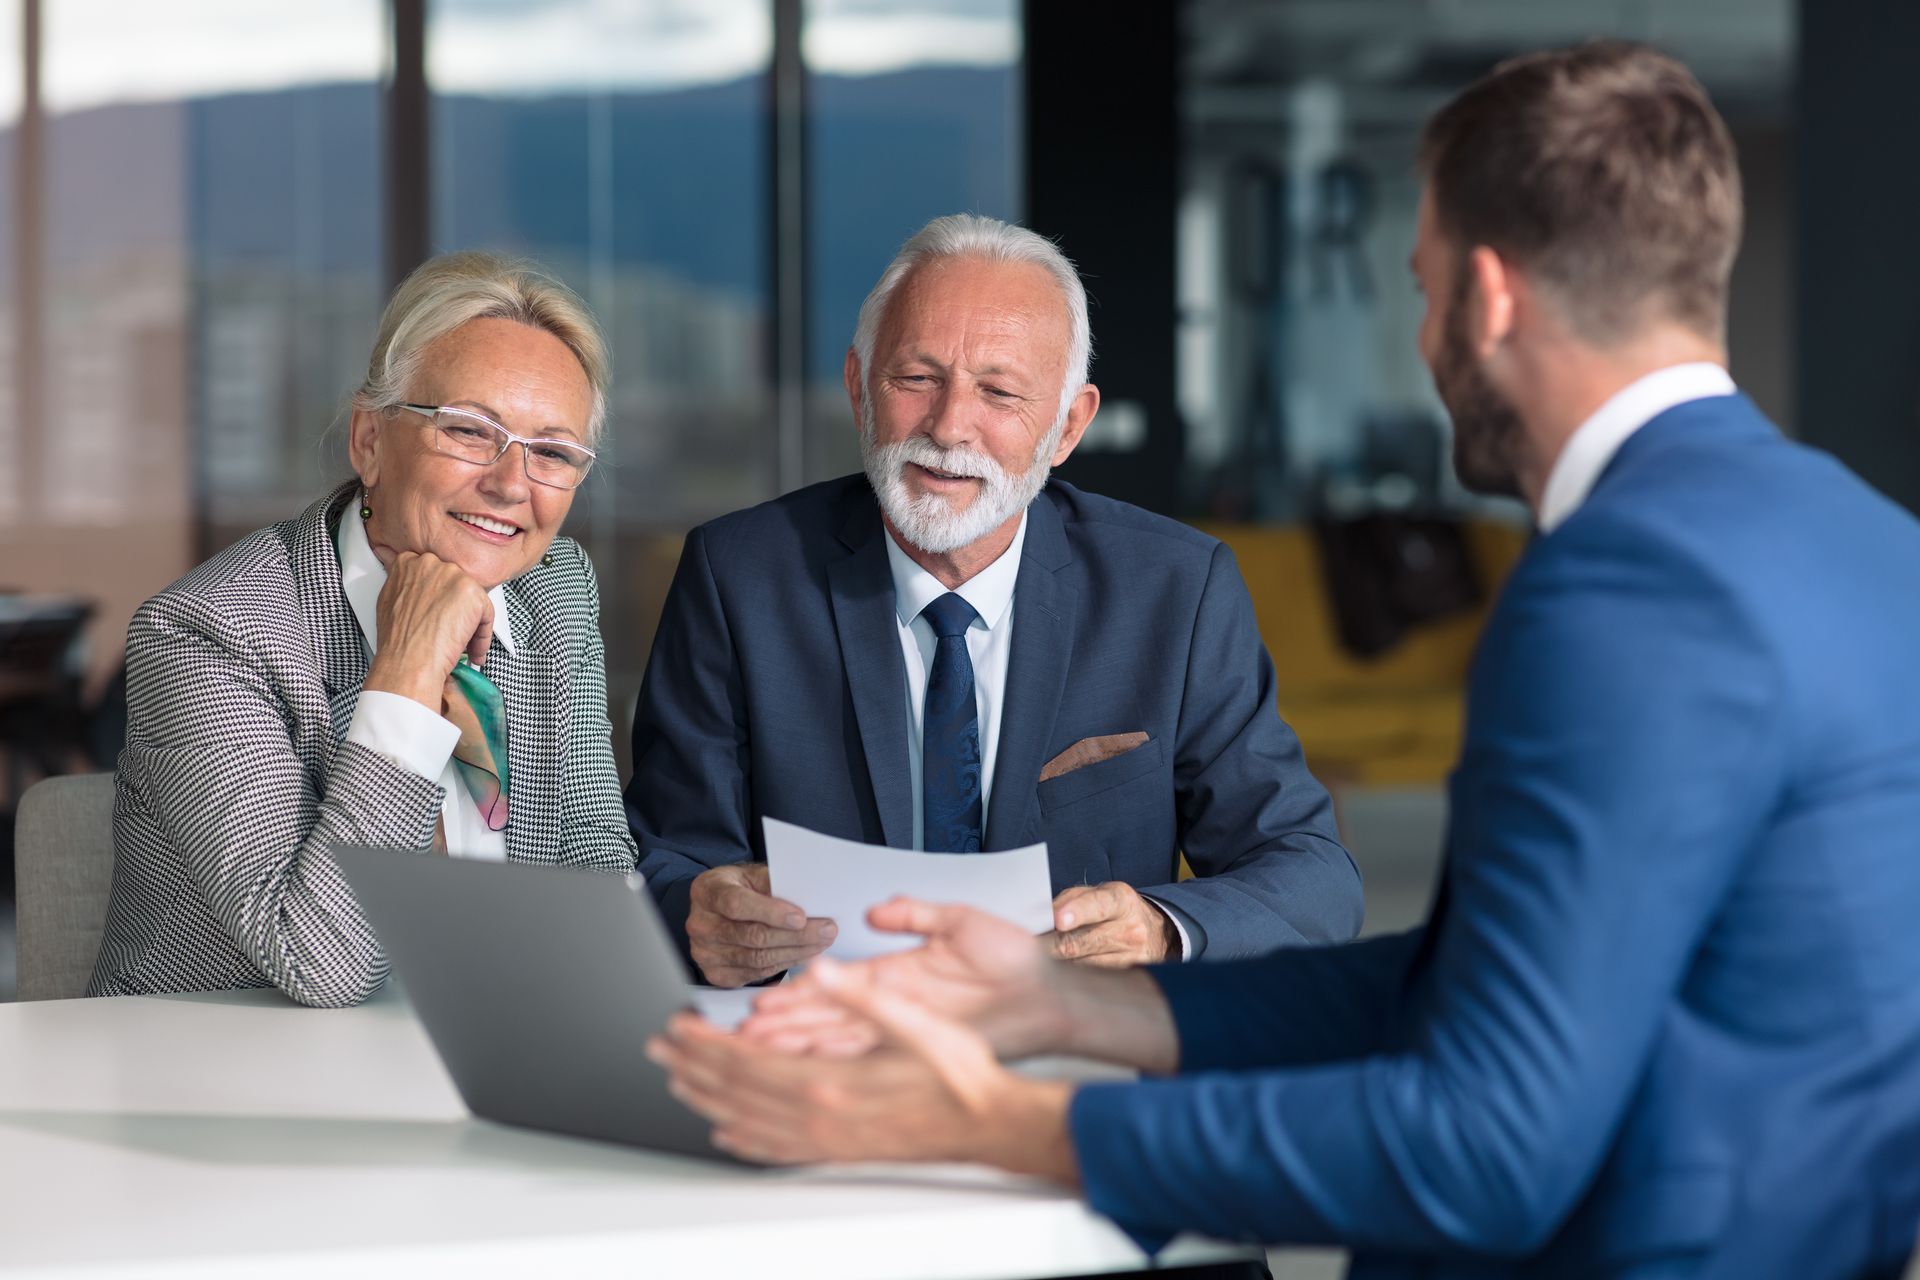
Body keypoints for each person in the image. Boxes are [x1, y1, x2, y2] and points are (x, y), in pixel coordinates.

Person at [651, 42, 1920, 1278]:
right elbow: (1482, 979)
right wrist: (1070, 1010)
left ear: (1484, 299)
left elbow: (1489, 1139)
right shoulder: (1870, 544)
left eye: (1419, 291)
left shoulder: (1621, 584)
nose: (1423, 343)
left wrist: (998, 1124)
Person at [625, 213, 1361, 988]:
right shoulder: (739, 575)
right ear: (857, 387)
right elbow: (667, 856)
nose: (949, 428)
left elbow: (1314, 880)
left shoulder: (1175, 590)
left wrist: (1160, 929)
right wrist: (697, 915)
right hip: (822, 1043)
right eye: (917, 379)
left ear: (1069, 425)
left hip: (1073, 1055)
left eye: (999, 392)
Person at [89, 251, 638, 1008]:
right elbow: (326, 964)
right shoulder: (209, 633)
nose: (512, 484)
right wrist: (408, 673)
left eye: (551, 452)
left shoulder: (554, 591)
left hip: (478, 1057)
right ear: (370, 442)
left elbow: (592, 859)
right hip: (222, 1083)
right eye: (471, 432)